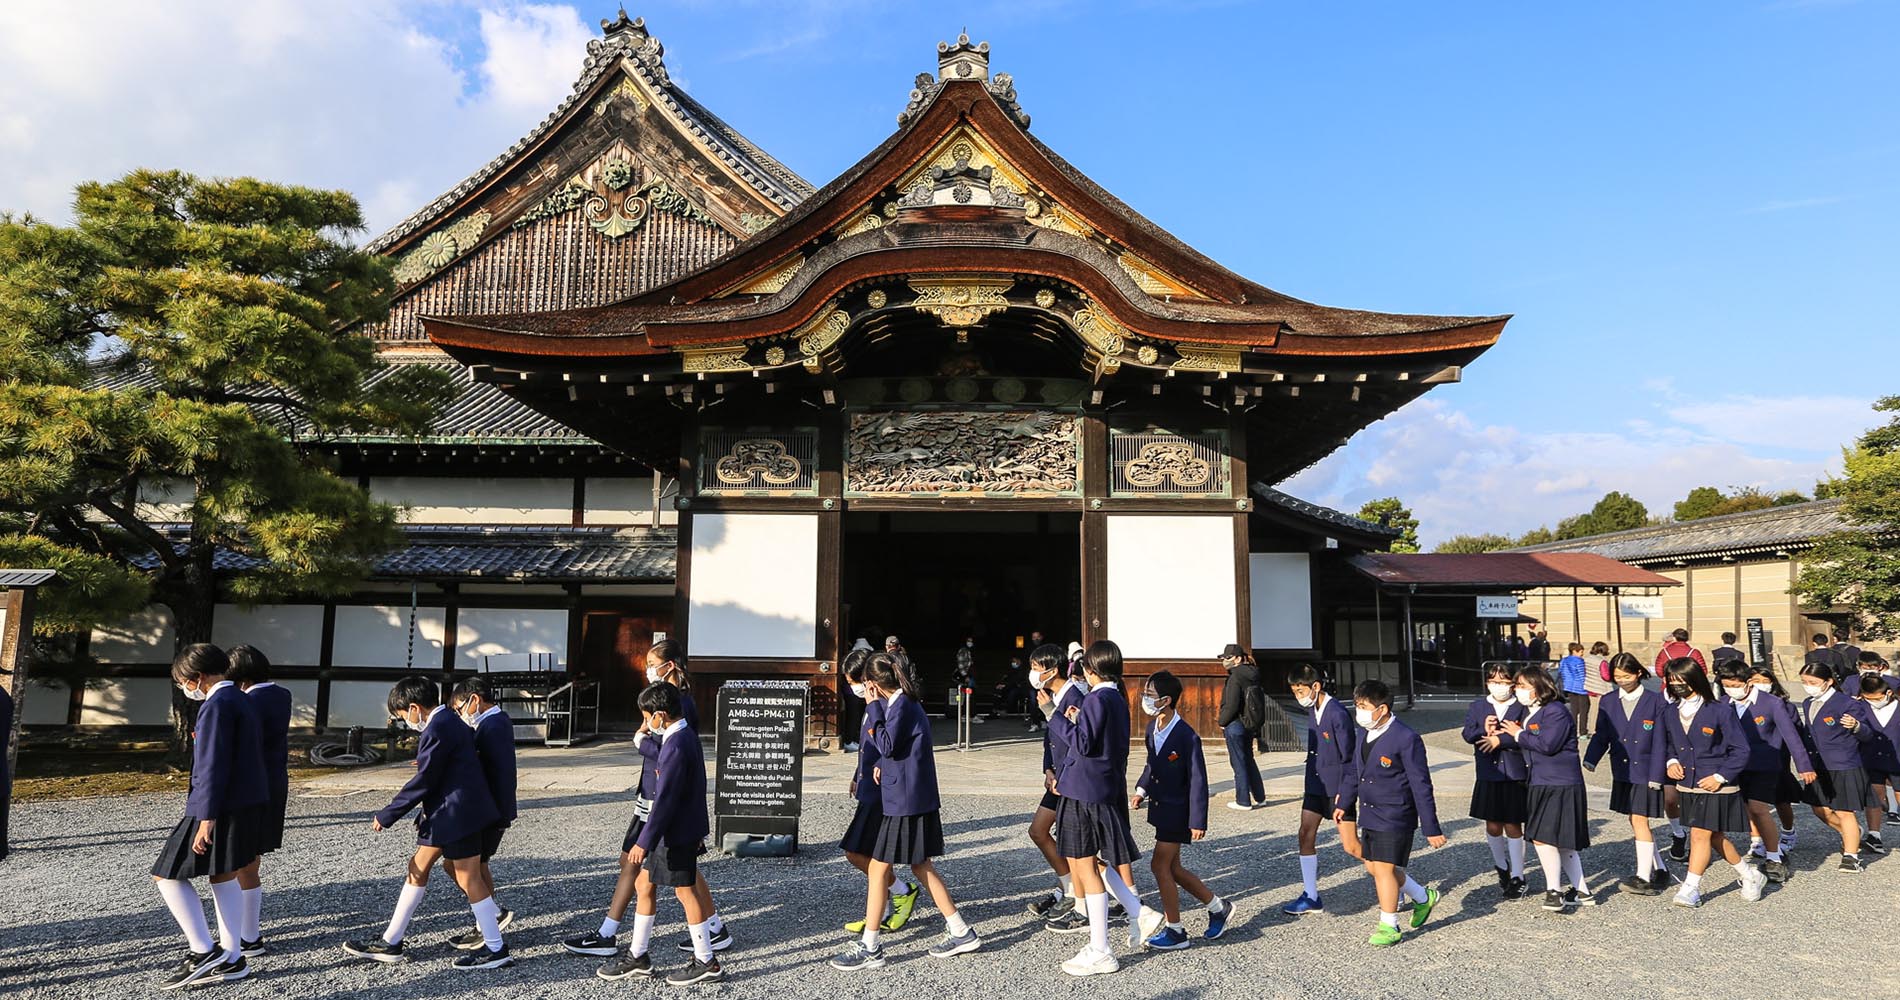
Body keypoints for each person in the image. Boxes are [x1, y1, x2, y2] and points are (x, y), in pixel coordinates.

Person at [829, 652, 982, 970]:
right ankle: (960, 930)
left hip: (905, 801)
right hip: (910, 797)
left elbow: (886, 743)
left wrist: (872, 710)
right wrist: (883, 765)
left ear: (871, 684)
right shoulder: (905, 703)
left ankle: (870, 947)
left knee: (880, 869)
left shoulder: (900, 705)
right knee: (919, 866)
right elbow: (898, 748)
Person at [343, 675, 509, 970]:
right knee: (418, 868)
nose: (406, 721)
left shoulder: (439, 726)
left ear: (416, 707)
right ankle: (391, 940)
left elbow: (425, 781)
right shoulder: (450, 721)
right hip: (455, 812)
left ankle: (496, 949)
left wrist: (388, 814)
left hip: (455, 814)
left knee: (468, 877)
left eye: (403, 715)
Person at [151, 644, 268, 989]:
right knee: (223, 875)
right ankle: (232, 957)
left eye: (184, 682)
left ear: (197, 677)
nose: (186, 689)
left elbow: (212, 766)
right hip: (244, 803)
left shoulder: (216, 705)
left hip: (216, 805)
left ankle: (203, 949)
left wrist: (206, 819)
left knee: (166, 875)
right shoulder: (243, 699)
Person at [592, 681, 723, 984]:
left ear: (660, 715)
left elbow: (665, 800)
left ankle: (706, 960)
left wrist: (643, 841)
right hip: (676, 829)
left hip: (674, 832)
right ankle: (638, 955)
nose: (647, 722)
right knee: (644, 884)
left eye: (647, 716)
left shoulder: (676, 744)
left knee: (684, 890)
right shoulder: (681, 736)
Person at [1049, 640, 1162, 977]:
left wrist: (1055, 716)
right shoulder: (1114, 697)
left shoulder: (1098, 697)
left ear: (1090, 670)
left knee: (1085, 864)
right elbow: (1094, 738)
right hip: (1098, 787)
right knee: (1095, 862)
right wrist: (1078, 718)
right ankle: (1138, 912)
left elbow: (1083, 744)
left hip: (1084, 789)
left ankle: (1101, 949)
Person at [1335, 680, 1444, 947]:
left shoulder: (1406, 738)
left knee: (1383, 868)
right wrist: (1343, 802)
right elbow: (1353, 771)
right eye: (1357, 705)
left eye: (1364, 706)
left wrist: (1431, 827)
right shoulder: (1363, 733)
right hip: (1369, 812)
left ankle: (1389, 925)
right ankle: (1422, 897)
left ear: (1382, 709)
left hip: (1396, 814)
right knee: (1374, 866)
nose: (1358, 711)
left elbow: (1421, 784)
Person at [1132, 670, 1231, 949]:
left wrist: (1198, 820)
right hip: (1160, 806)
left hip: (1179, 810)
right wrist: (1141, 790)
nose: (1145, 699)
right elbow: (1151, 764)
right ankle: (1218, 907)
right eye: (1146, 694)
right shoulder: (1152, 729)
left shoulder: (1187, 735)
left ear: (1166, 700)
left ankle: (1175, 930)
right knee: (1173, 868)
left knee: (1159, 865)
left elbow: (1199, 780)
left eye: (1150, 695)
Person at [1659, 659, 1766, 907]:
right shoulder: (1669, 711)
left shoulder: (1720, 710)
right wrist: (1671, 761)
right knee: (1714, 836)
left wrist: (1720, 776)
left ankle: (1690, 888)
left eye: (1681, 680)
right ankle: (1749, 875)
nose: (1677, 686)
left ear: (1694, 679)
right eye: (1672, 681)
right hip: (1688, 783)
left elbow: (1740, 749)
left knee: (1699, 834)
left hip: (1716, 783)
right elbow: (1668, 744)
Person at [837, 648, 921, 935]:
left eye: (853, 681)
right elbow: (868, 746)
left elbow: (886, 745)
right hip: (869, 785)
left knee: (858, 853)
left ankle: (900, 892)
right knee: (870, 856)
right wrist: (856, 774)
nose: (852, 688)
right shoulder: (873, 704)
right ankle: (881, 911)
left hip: (882, 791)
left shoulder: (885, 705)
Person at [1498, 665, 1592, 911]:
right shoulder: (1530, 711)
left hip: (1558, 782)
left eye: (1523, 686)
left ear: (1540, 687)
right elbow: (1522, 740)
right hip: (1541, 780)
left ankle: (1554, 890)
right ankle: (1582, 890)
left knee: (1542, 837)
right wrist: (1502, 735)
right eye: (1516, 686)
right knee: (1561, 842)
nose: (1517, 691)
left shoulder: (1556, 711)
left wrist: (1518, 734)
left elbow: (1548, 744)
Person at [1583, 653, 1675, 894]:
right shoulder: (1608, 700)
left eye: (1626, 675)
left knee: (1639, 819)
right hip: (1622, 769)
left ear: (1638, 673)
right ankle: (1661, 867)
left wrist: (1658, 774)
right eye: (1617, 677)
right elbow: (1602, 733)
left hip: (1647, 770)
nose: (1622, 680)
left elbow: (1663, 741)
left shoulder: (1656, 701)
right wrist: (1591, 758)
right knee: (1634, 819)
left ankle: (1643, 876)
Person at [1713, 661, 1811, 882]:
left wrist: (1804, 765)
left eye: (1735, 685)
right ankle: (1756, 841)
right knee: (1747, 807)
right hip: (1735, 766)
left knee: (1759, 808)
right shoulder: (1722, 703)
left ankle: (1775, 857)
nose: (1731, 689)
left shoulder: (1772, 703)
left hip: (1766, 764)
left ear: (1748, 683)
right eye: (1726, 685)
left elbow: (1791, 736)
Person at [446, 677, 518, 950]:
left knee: (471, 866)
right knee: (473, 865)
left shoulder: (491, 725)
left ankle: (490, 916)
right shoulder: (497, 722)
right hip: (494, 807)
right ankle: (487, 916)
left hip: (489, 808)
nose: (460, 713)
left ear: (475, 700)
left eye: (460, 707)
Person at [227, 644, 289, 958]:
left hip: (249, 786)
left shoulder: (248, 700)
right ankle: (248, 932)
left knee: (240, 860)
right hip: (274, 781)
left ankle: (247, 935)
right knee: (250, 857)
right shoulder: (281, 694)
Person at [1283, 664, 1357, 916]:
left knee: (1351, 846)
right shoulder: (1313, 709)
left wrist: (1346, 793)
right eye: (1294, 691)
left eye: (1300, 689)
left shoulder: (1336, 713)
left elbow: (1350, 758)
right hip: (1315, 784)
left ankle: (1398, 882)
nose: (1297, 695)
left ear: (1315, 686)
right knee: (1305, 834)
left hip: (1337, 787)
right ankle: (1311, 895)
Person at [1796, 659, 1876, 871]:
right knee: (1819, 809)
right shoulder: (1808, 702)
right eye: (1804, 681)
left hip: (1843, 764)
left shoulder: (1848, 704)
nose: (1807, 685)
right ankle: (1851, 833)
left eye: (1812, 681)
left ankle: (1851, 856)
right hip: (1817, 765)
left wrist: (1857, 726)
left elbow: (1868, 734)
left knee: (1843, 811)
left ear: (1828, 681)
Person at [1461, 663, 1528, 898]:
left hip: (1514, 771)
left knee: (1513, 823)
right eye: (1493, 681)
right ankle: (1502, 866)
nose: (1498, 685)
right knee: (1492, 823)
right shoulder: (1479, 706)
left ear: (1512, 683)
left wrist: (1504, 739)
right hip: (1488, 771)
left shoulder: (1521, 705)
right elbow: (1467, 733)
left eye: (1503, 681)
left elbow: (1527, 737)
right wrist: (1482, 729)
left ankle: (1519, 875)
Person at [1026, 644, 1082, 923]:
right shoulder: (1051, 695)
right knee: (1038, 831)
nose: (1033, 674)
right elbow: (1051, 737)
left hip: (1072, 779)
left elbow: (1078, 740)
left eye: (1037, 668)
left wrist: (1063, 773)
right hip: (1056, 777)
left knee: (1077, 844)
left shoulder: (1074, 696)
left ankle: (1083, 896)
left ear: (1053, 670)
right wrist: (1048, 768)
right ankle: (1068, 884)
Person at [1215, 644, 1265, 811]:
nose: (1224, 662)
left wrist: (1222, 721)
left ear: (1237, 658)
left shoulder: (1235, 676)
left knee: (1238, 762)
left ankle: (1243, 800)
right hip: (1249, 723)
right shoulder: (1253, 673)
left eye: (1227, 658)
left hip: (1235, 723)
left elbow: (1231, 704)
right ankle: (1260, 797)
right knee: (1249, 759)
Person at [1856, 673, 1899, 856]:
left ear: (1888, 693)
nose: (1874, 702)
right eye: (1868, 698)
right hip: (1870, 758)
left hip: (1897, 759)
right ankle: (1874, 835)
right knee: (1874, 796)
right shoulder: (1859, 707)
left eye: (1877, 698)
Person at [1557, 643, 1591, 737]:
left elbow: (1560, 672)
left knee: (1574, 710)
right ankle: (1583, 731)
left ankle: (1574, 730)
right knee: (1584, 709)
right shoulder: (1579, 661)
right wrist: (1585, 685)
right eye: (1581, 652)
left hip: (1568, 687)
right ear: (1574, 651)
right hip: (1580, 688)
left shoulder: (1564, 660)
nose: (1582, 654)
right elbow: (1582, 675)